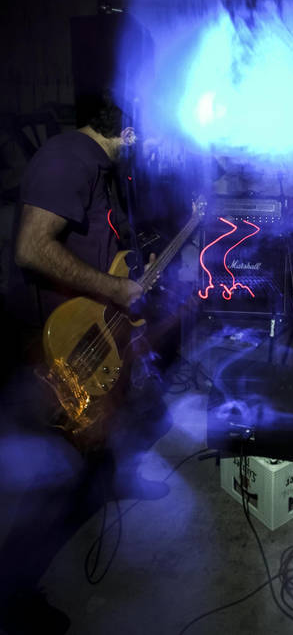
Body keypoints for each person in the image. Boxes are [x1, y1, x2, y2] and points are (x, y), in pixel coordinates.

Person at [0, 91, 170, 635]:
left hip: (91, 333)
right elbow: (32, 248)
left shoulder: (95, 166)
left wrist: (129, 277)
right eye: (145, 136)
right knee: (52, 473)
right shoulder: (68, 159)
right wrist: (116, 289)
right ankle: (10, 600)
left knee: (119, 419)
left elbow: (96, 249)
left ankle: (113, 481)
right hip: (57, 343)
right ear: (129, 133)